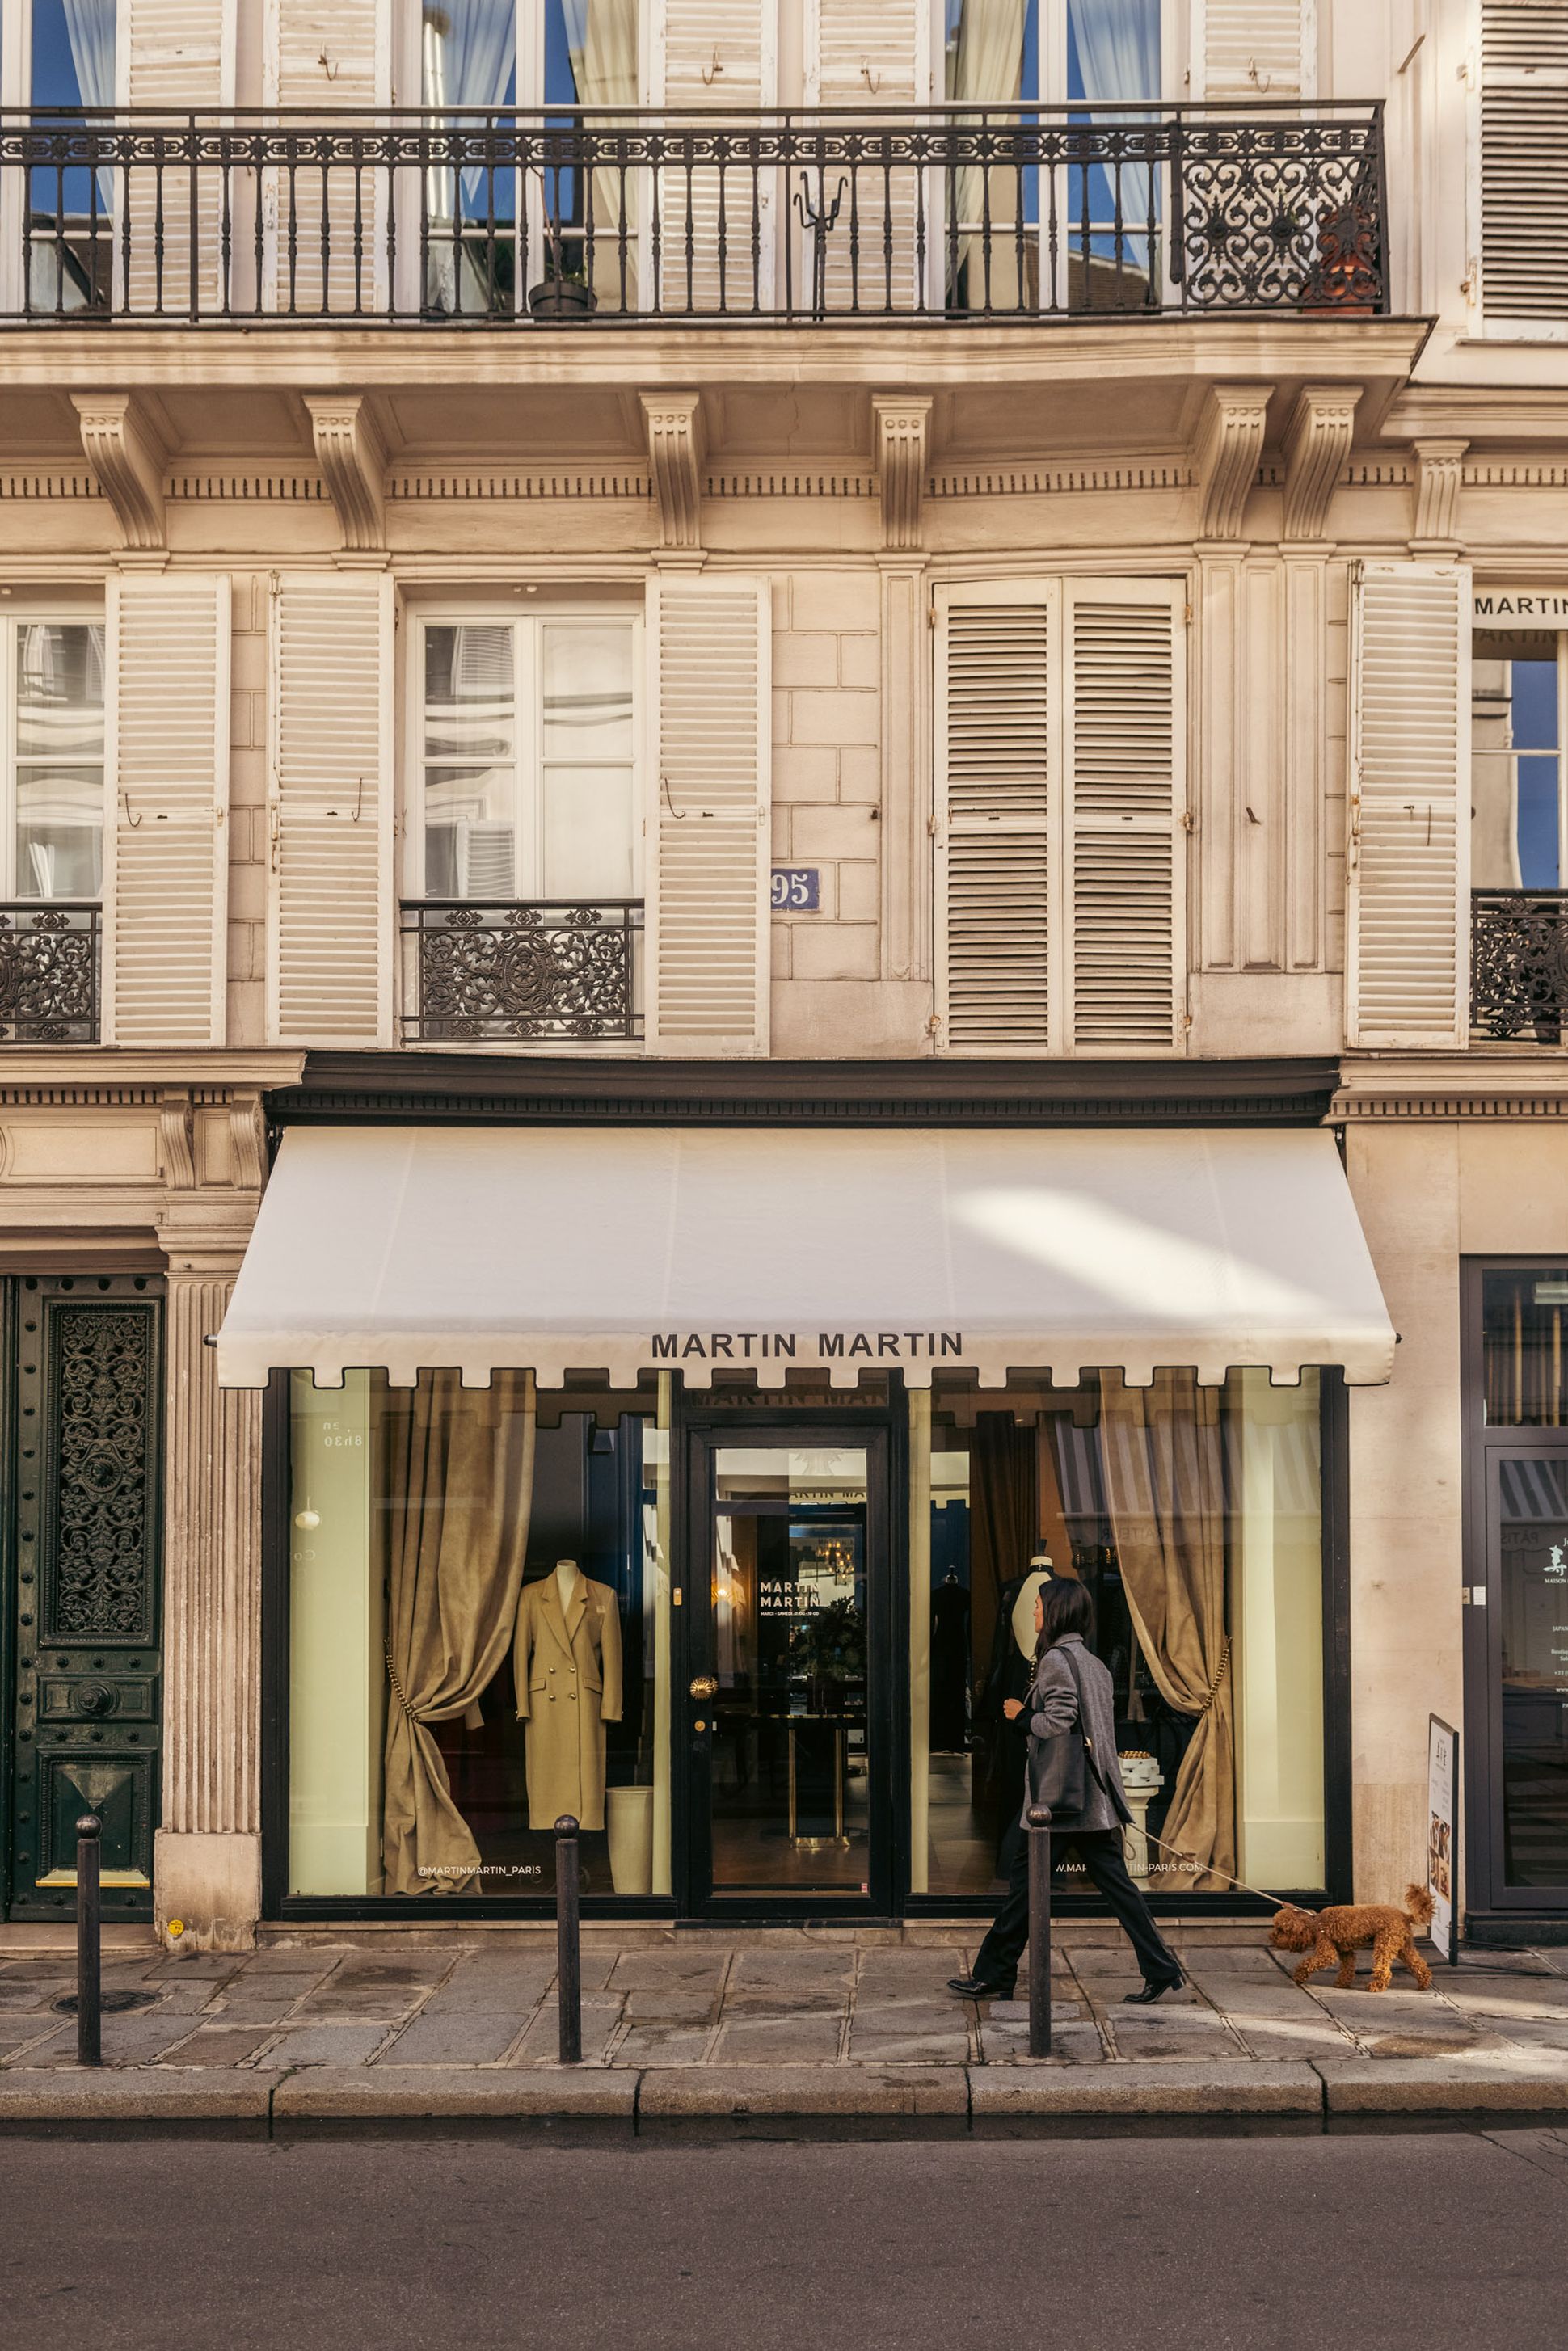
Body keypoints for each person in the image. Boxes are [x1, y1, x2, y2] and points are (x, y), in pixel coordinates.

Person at [948, 1575, 1184, 2005]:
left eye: (1038, 1605)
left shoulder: (1057, 1660)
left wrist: (1020, 1716)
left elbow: (1059, 1721)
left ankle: (993, 1974)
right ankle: (1162, 1966)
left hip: (1058, 1803)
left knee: (1023, 1889)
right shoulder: (1091, 1662)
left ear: (1054, 1611)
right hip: (1091, 1800)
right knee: (1118, 1890)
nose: (1034, 1612)